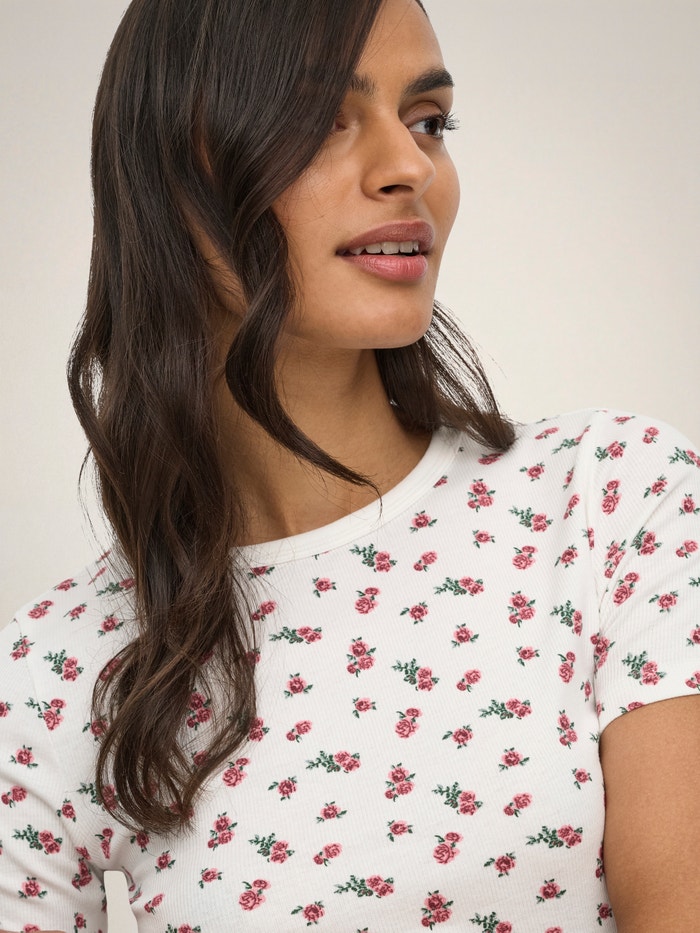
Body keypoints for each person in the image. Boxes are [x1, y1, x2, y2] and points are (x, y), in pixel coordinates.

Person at [1, 0, 699, 930]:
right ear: (171, 174)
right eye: (321, 119)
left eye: (429, 121)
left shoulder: (613, 498)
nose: (411, 166)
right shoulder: (57, 670)